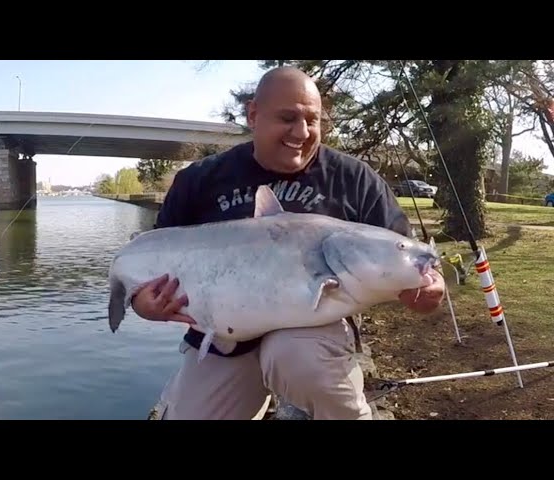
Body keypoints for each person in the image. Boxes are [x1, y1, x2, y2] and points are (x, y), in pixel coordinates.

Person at [131, 66, 445, 420]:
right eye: (287, 118)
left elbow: (415, 259)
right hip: (223, 341)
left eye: (312, 120)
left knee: (295, 357)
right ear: (253, 114)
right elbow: (149, 258)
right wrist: (141, 301)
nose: (302, 132)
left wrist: (430, 288)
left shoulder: (357, 180)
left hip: (312, 333)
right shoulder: (198, 180)